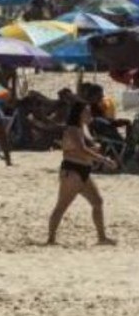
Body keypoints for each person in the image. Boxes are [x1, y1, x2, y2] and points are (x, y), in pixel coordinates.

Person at [47, 100, 116, 246]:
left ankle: (102, 238)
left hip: (84, 170)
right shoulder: (72, 129)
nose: (89, 113)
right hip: (72, 171)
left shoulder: (83, 128)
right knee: (62, 206)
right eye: (86, 111)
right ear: (79, 114)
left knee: (97, 201)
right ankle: (51, 239)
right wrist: (104, 160)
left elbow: (87, 147)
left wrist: (95, 148)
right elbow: (81, 149)